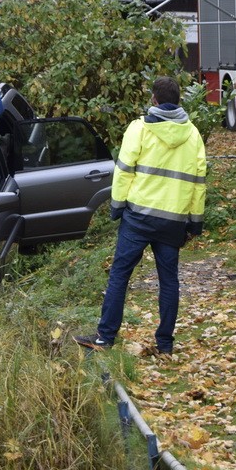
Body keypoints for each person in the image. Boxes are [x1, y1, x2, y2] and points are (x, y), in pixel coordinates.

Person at [74, 77, 207, 355]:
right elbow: (197, 181)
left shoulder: (139, 128)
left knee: (120, 275)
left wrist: (117, 206)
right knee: (169, 280)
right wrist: (195, 221)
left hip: (138, 217)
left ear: (154, 100)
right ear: (179, 100)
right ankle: (165, 344)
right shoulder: (193, 134)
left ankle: (105, 338)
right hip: (172, 221)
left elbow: (123, 170)